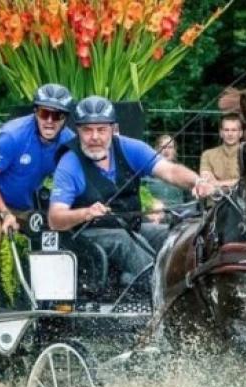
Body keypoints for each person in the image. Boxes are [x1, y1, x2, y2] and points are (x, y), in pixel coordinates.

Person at [49, 95, 215, 289]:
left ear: (113, 129)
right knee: (123, 241)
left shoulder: (129, 147)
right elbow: (55, 219)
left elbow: (169, 171)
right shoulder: (69, 163)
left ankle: (196, 285)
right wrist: (85, 213)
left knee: (173, 234)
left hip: (131, 226)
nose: (95, 137)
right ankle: (162, 291)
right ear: (78, 131)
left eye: (101, 129)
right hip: (87, 234)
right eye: (87, 130)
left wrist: (196, 181)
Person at [0, 83, 76, 311]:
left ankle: (56, 298)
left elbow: (77, 175)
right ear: (36, 112)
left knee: (59, 232)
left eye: (57, 115)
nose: (49, 120)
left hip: (24, 204)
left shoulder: (69, 142)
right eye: (44, 113)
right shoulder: (13, 136)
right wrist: (4, 213)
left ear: (65, 118)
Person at [199, 113, 243, 187]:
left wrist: (218, 183)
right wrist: (236, 182)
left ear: (240, 133)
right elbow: (206, 181)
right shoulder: (208, 155)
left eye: (234, 130)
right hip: (216, 197)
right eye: (226, 130)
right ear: (221, 133)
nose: (230, 134)